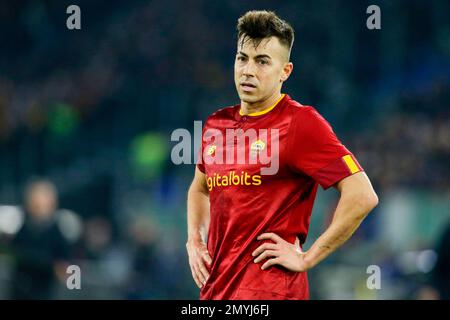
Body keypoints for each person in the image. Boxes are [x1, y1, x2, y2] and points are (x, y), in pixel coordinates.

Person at [186, 10, 378, 300]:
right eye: (242, 58)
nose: (248, 70)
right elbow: (200, 189)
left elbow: (361, 195)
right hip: (216, 292)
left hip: (271, 292)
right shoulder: (217, 124)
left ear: (285, 71)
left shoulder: (300, 124)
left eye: (262, 61)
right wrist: (194, 240)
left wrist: (308, 257)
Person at [9, 179, 71, 299]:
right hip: (20, 291)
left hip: (43, 291)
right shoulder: (23, 229)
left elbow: (65, 269)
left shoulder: (57, 233)